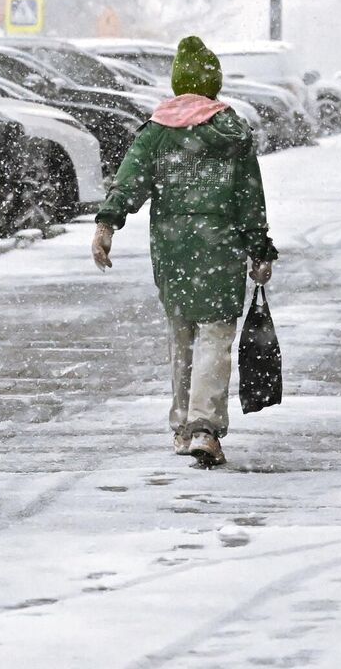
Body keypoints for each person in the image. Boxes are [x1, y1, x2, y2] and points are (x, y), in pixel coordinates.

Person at [90, 37, 277, 468]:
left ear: (178, 83)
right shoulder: (234, 134)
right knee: (215, 338)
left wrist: (106, 225)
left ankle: (182, 426)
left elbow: (130, 182)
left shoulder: (157, 131)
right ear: (213, 84)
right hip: (222, 249)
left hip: (174, 251)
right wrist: (258, 248)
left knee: (182, 337)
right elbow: (250, 198)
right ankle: (204, 428)